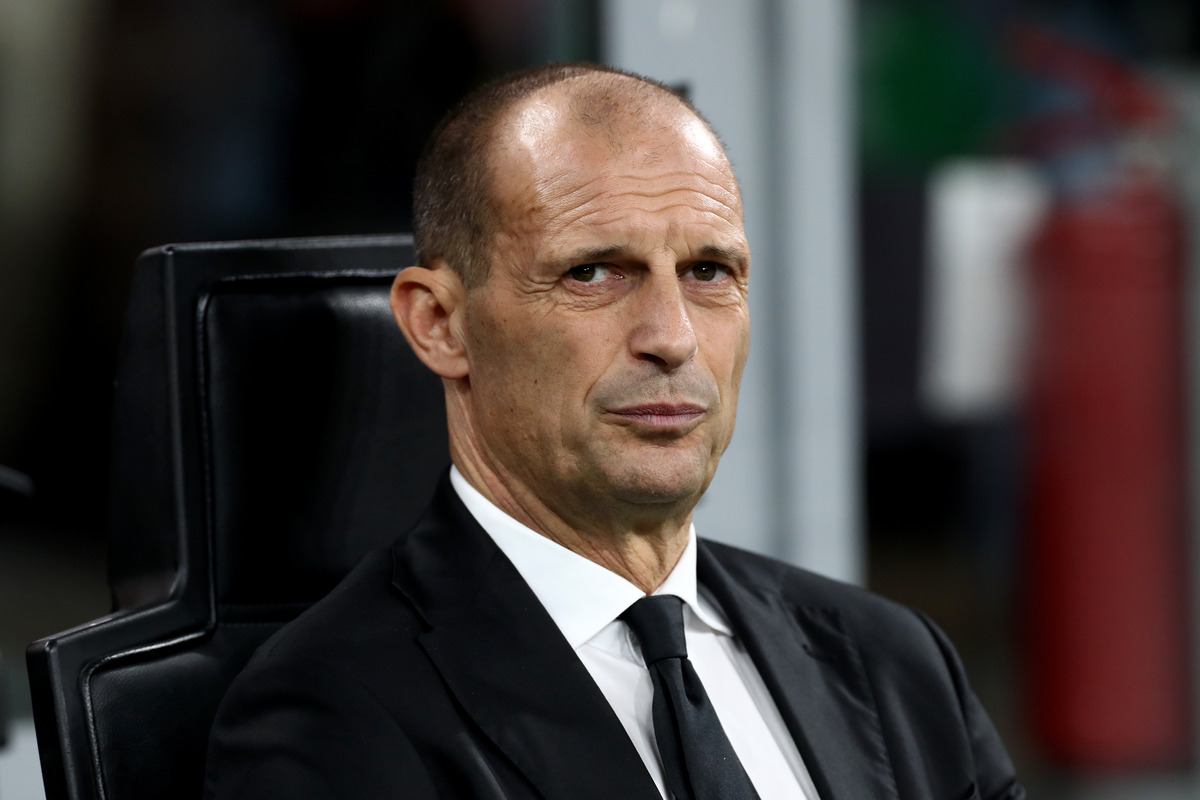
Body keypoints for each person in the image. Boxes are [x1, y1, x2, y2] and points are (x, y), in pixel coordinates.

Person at [203, 62, 1025, 800]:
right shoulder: (332, 715)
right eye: (593, 272)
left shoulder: (894, 664)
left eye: (709, 273)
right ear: (441, 324)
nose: (671, 335)